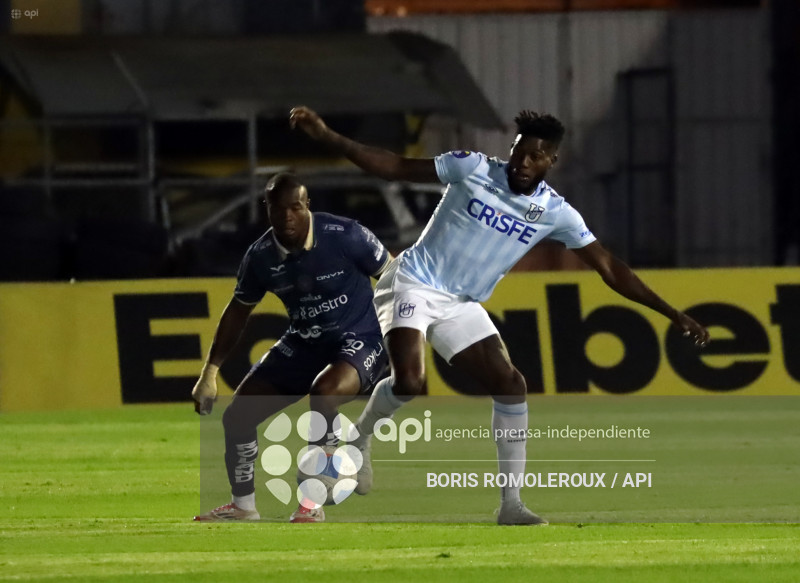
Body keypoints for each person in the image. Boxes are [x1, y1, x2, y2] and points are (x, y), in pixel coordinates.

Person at [289, 105, 710, 525]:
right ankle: (360, 438)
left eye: (535, 157)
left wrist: (672, 313)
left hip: (459, 301)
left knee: (510, 385)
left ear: (551, 160)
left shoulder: (556, 212)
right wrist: (328, 136)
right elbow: (396, 167)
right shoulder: (472, 168)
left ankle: (511, 505)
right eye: (518, 152)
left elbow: (610, 268)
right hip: (413, 281)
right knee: (411, 382)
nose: (522, 163)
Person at [191, 172, 391, 524]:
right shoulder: (260, 257)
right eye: (278, 208)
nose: (287, 216)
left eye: (295, 207)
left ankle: (313, 502)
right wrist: (210, 373)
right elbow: (238, 311)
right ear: (266, 208)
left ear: (307, 205)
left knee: (324, 393)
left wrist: (405, 334)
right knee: (237, 416)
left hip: (361, 337)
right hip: (305, 341)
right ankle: (243, 506)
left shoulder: (346, 235)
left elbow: (395, 278)